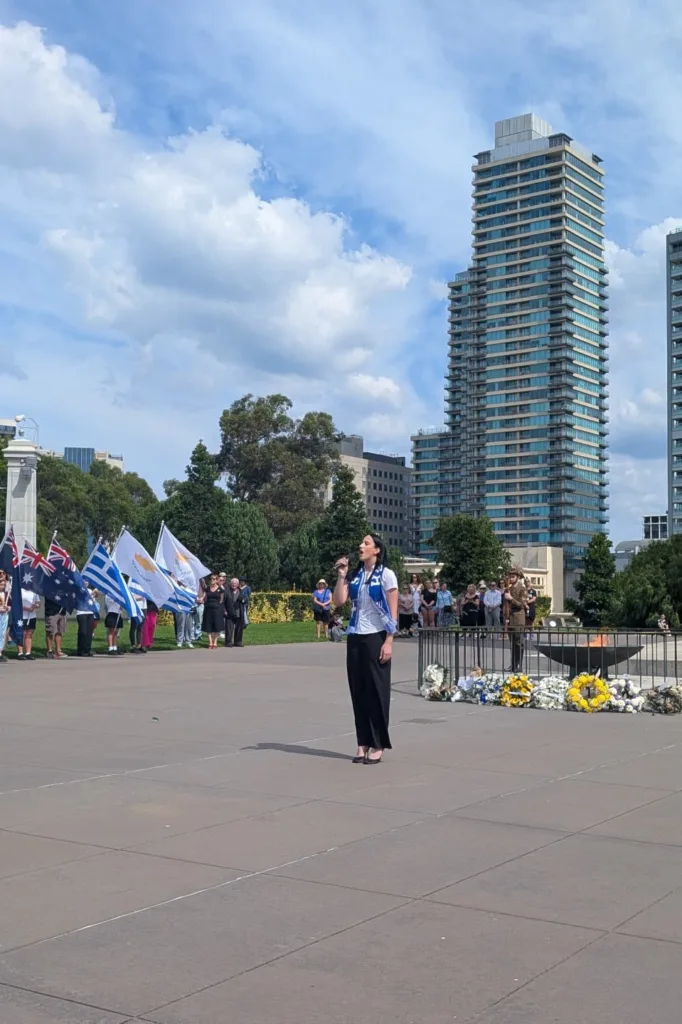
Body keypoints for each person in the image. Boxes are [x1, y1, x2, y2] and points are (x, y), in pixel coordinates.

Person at [333, 533, 398, 765]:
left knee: (376, 691)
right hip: (355, 635)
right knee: (358, 690)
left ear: (376, 550)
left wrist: (389, 641)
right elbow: (339, 601)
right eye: (361, 543)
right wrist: (342, 575)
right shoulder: (356, 575)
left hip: (376, 635)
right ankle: (363, 742)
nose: (361, 546)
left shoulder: (387, 575)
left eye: (366, 543)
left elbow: (393, 612)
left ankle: (378, 742)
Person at [504, 567, 528, 672]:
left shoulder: (522, 589)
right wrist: (506, 616)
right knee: (512, 643)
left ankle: (519, 665)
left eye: (513, 576)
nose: (511, 578)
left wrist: (511, 598)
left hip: (518, 617)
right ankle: (513, 664)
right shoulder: (508, 589)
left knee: (519, 643)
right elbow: (505, 605)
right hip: (510, 618)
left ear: (518, 577)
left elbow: (521, 604)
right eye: (510, 576)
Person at [75, 584, 99, 657]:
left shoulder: (90, 590)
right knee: (83, 631)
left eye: (87, 581)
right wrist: (90, 594)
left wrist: (96, 593)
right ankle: (81, 650)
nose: (86, 582)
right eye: (84, 580)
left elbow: (95, 597)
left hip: (90, 612)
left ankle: (87, 650)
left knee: (89, 632)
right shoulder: (78, 588)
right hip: (81, 612)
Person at [17, 587, 40, 660]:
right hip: (22, 616)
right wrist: (27, 608)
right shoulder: (20, 591)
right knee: (22, 634)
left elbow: (38, 602)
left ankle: (28, 652)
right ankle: (20, 653)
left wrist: (35, 605)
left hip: (31, 616)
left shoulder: (34, 592)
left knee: (29, 634)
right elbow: (17, 603)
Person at [203, 574, 224, 649]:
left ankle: (215, 642)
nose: (212, 580)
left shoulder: (220, 589)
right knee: (208, 626)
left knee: (216, 625)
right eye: (211, 579)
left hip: (217, 609)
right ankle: (210, 642)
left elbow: (221, 599)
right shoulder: (207, 588)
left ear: (217, 580)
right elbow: (205, 598)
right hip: (208, 609)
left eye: (214, 579)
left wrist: (218, 606)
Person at [224, 577, 246, 647]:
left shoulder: (241, 591)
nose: (234, 585)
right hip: (229, 612)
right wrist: (224, 610)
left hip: (238, 612)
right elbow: (223, 602)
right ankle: (228, 642)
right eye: (233, 583)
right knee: (229, 628)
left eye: (235, 583)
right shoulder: (227, 591)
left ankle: (238, 642)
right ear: (231, 584)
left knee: (239, 628)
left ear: (238, 584)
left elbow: (245, 599)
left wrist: (243, 600)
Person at [0, 570, 9, 663]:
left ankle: (0, 651)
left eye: (3, 585)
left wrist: (7, 608)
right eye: (1, 585)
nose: (2, 586)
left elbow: (10, 605)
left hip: (4, 615)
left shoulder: (6, 594)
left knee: (2, 633)